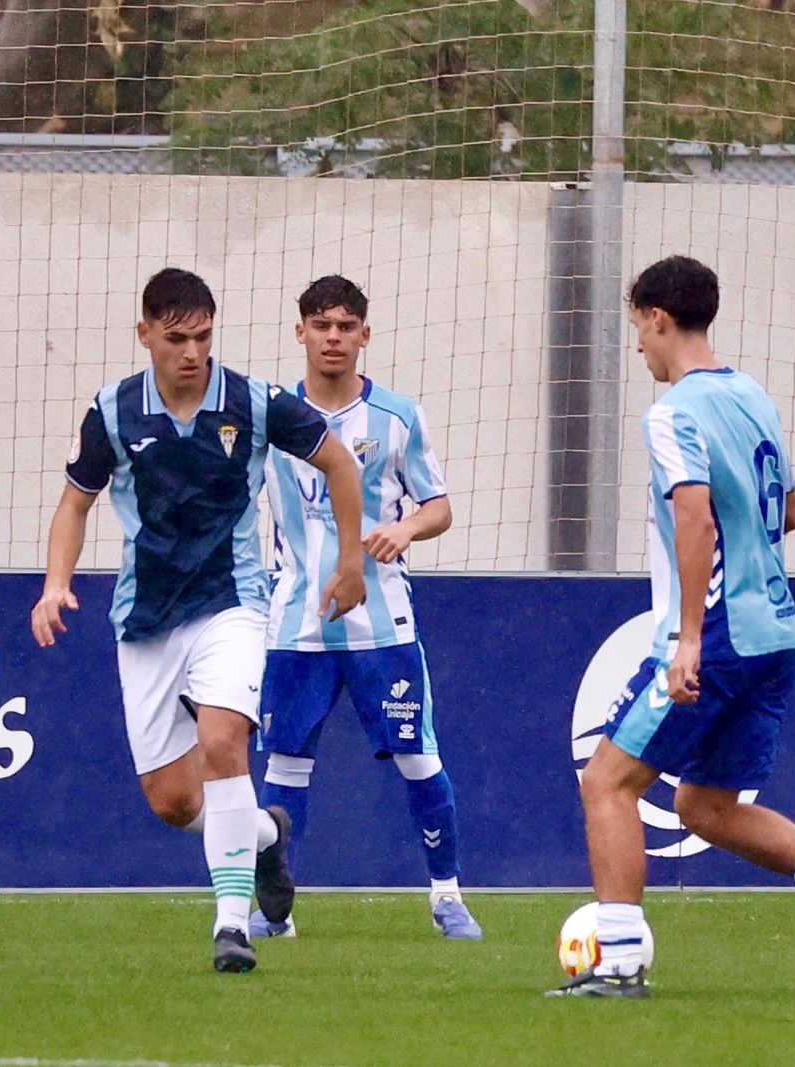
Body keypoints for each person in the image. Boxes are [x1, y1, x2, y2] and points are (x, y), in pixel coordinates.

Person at [549, 255, 795, 1000]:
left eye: (637, 328)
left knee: (607, 782)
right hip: (775, 631)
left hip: (719, 633)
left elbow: (693, 512)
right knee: (702, 805)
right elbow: (791, 511)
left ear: (657, 318)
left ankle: (615, 962)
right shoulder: (753, 396)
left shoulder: (673, 412)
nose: (638, 345)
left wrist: (686, 638)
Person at [31, 268, 367, 973]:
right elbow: (74, 504)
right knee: (173, 801)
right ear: (145, 334)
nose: (191, 352)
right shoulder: (113, 411)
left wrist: (350, 561)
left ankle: (231, 926)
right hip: (148, 617)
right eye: (176, 338)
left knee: (223, 743)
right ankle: (265, 836)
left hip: (233, 604)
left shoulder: (253, 400)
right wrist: (55, 584)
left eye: (204, 336)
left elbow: (341, 465)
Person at [251, 275, 481, 941]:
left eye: (346, 325)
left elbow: (438, 505)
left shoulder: (398, 416)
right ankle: (276, 913)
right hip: (295, 621)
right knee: (285, 764)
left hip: (383, 622)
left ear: (364, 336)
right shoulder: (270, 416)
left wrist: (406, 529)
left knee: (418, 755)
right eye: (320, 324)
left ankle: (447, 895)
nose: (333, 337)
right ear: (300, 332)